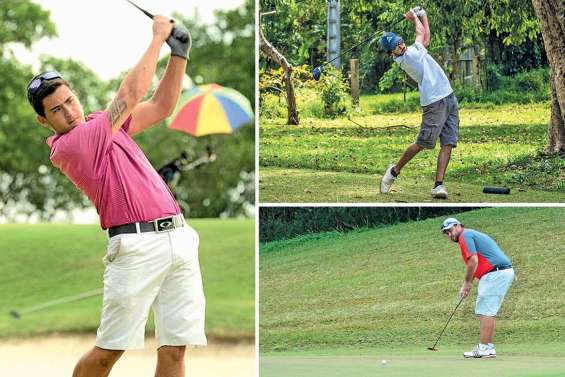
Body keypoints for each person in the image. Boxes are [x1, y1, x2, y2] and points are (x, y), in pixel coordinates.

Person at [27, 16, 205, 377]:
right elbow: (129, 95)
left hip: (179, 238)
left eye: (69, 101)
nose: (68, 112)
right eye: (56, 110)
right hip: (135, 247)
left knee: (174, 349)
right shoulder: (71, 145)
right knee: (109, 351)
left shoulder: (100, 124)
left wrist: (179, 55)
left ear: (76, 95)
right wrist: (158, 38)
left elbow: (160, 106)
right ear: (44, 121)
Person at [379, 7, 459, 199]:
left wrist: (423, 15)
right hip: (434, 103)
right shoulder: (409, 57)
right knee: (423, 143)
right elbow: (421, 33)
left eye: (399, 41)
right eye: (396, 46)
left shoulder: (413, 49)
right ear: (392, 53)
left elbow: (426, 37)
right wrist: (415, 17)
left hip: (448, 97)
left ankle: (439, 185)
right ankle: (394, 172)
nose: (400, 45)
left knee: (448, 142)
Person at [441, 218, 515, 358]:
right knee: (488, 310)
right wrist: (469, 283)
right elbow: (476, 262)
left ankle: (483, 348)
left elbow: (473, 260)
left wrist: (467, 283)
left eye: (450, 231)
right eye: (446, 233)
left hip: (496, 273)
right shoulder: (469, 234)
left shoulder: (465, 235)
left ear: (458, 226)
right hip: (499, 273)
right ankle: (488, 347)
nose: (449, 235)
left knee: (486, 310)